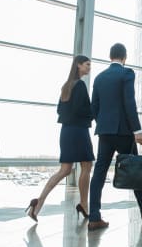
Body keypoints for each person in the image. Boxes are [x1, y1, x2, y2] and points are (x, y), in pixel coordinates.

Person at [88, 43, 142, 231]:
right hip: (124, 132)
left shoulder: (99, 78)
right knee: (135, 169)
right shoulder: (126, 74)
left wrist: (103, 123)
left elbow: (94, 109)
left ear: (110, 56)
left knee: (99, 173)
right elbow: (129, 102)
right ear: (124, 58)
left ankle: (94, 217)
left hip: (105, 132)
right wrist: (137, 130)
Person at [25, 55, 94, 222]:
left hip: (66, 132)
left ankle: (38, 203)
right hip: (78, 131)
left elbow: (59, 111)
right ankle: (84, 204)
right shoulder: (81, 85)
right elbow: (81, 110)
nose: (89, 67)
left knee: (65, 170)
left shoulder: (66, 86)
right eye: (87, 64)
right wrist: (94, 112)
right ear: (78, 65)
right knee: (86, 166)